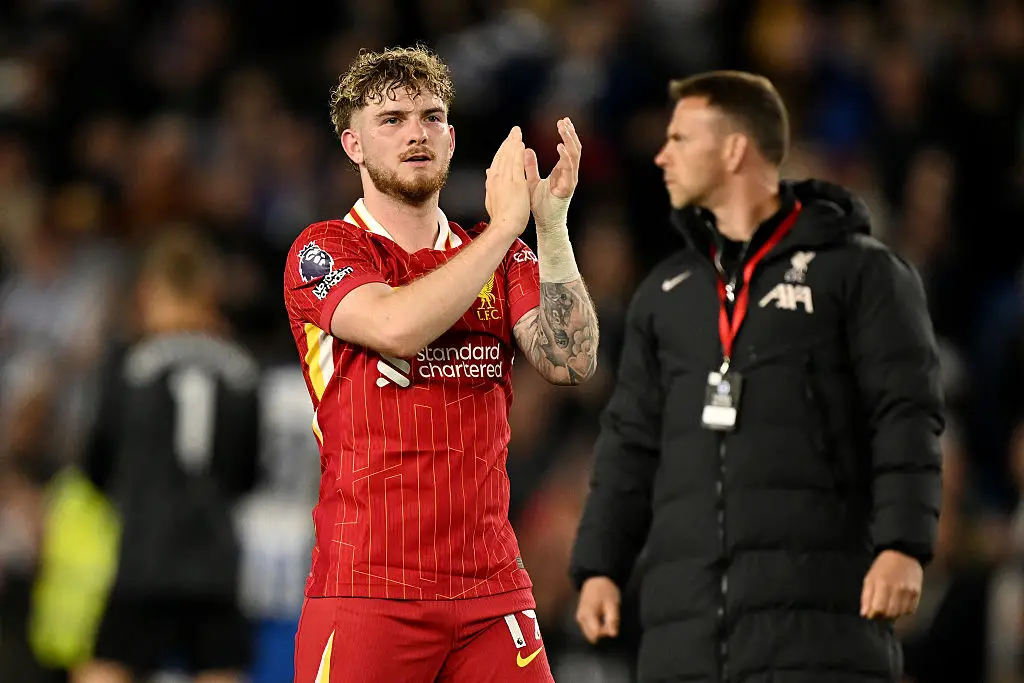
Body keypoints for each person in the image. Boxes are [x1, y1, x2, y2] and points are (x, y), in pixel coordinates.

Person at [569, 70, 944, 682]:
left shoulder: (860, 274)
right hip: (682, 639)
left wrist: (903, 545)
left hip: (820, 630)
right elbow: (630, 443)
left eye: (682, 139)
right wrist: (600, 567)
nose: (662, 155)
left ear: (735, 148)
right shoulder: (667, 292)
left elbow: (905, 412)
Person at [282, 45, 599, 682]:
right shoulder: (324, 249)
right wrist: (505, 229)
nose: (415, 133)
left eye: (430, 117)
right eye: (392, 119)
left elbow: (571, 361)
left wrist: (552, 228)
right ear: (353, 145)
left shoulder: (502, 253)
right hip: (369, 590)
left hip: (492, 591)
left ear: (452, 139)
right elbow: (396, 326)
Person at [75, 229, 261, 683]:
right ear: (210, 291)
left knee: (107, 662)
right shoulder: (240, 368)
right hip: (215, 557)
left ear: (148, 289)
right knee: (219, 666)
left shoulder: (127, 361)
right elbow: (247, 474)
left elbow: (95, 462)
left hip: (145, 553)